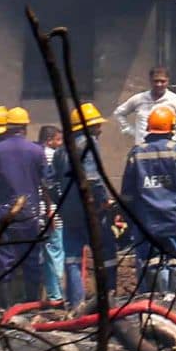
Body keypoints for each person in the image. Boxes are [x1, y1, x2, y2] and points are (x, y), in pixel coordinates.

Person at [0, 106, 49, 306]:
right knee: (32, 259)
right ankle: (32, 305)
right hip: (29, 214)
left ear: (6, 127)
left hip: (1, 215)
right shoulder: (37, 151)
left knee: (4, 261)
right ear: (25, 126)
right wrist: (49, 208)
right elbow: (46, 184)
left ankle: (7, 308)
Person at [119, 106, 176, 297]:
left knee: (148, 259)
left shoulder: (136, 153)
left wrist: (129, 219)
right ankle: (173, 299)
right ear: (171, 128)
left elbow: (127, 194)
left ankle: (152, 299)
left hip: (146, 221)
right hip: (174, 218)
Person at [56, 102, 115, 307]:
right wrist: (102, 201)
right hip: (89, 211)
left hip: (69, 212)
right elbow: (92, 178)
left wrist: (61, 204)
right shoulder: (89, 144)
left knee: (72, 257)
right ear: (87, 127)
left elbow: (50, 180)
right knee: (106, 252)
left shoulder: (61, 150)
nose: (100, 128)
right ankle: (108, 300)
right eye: (96, 125)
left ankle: (75, 303)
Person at [117, 66, 176, 147]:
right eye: (156, 81)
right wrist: (130, 131)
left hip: (168, 151)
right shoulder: (139, 99)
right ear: (150, 81)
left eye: (162, 81)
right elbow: (119, 113)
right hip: (143, 149)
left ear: (168, 81)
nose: (159, 84)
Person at [36, 125, 67, 306]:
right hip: (52, 212)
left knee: (48, 252)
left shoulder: (37, 153)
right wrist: (52, 209)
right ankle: (58, 295)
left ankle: (53, 293)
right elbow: (49, 185)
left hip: (39, 212)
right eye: (58, 139)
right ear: (49, 140)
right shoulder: (50, 155)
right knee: (56, 251)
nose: (60, 143)